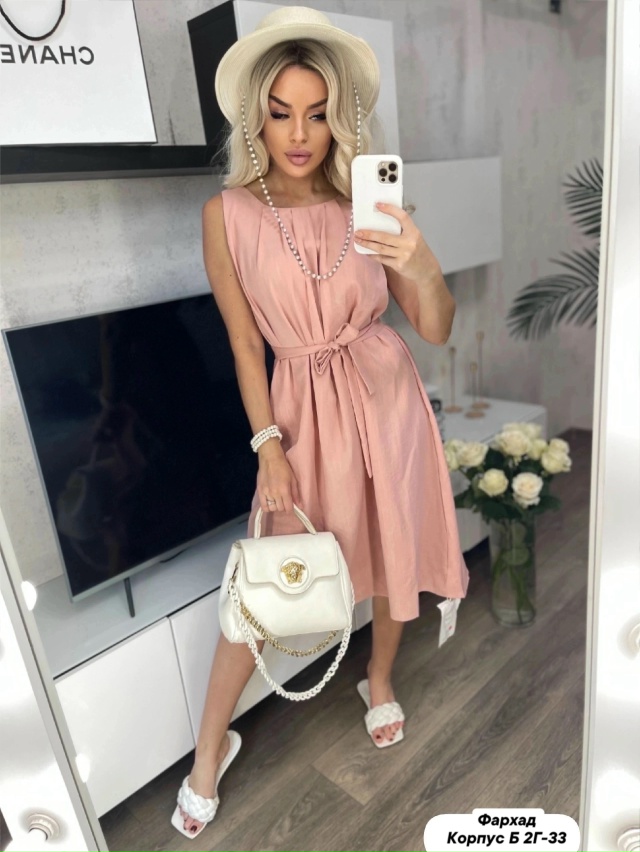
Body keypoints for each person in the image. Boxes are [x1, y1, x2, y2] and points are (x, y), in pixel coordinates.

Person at [172, 5, 470, 840]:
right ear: (255, 118)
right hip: (299, 414)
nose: (300, 134)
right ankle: (208, 753)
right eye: (281, 113)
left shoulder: (368, 205)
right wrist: (268, 446)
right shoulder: (227, 213)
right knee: (266, 588)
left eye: (317, 113)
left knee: (396, 545)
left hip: (387, 398)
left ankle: (380, 679)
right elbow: (243, 345)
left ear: (341, 118)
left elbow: (436, 326)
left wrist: (422, 262)